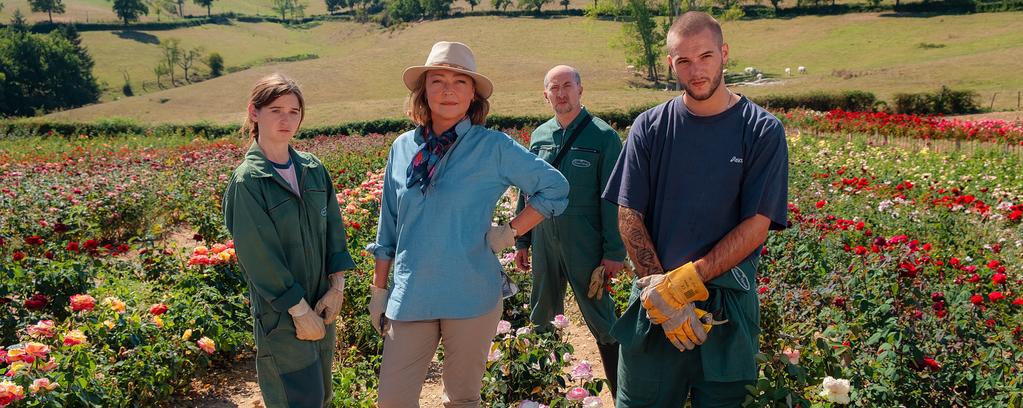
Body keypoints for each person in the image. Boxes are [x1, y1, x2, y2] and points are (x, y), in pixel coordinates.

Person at [601, 12, 790, 407]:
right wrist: (662, 295)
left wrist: (682, 286)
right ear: (671, 64)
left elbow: (756, 226)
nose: (696, 70)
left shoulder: (761, 130)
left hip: (726, 308)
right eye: (684, 61)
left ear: (724, 53)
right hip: (654, 304)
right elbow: (629, 214)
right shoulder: (649, 127)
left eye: (705, 56)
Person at [367, 41, 570, 408]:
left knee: (462, 399)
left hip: (472, 293)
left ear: (473, 93)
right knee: (392, 400)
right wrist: (379, 291)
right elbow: (388, 229)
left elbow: (555, 188)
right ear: (424, 91)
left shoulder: (492, 147)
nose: (448, 90)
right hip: (412, 294)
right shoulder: (402, 148)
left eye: (459, 82)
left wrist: (509, 232)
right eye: (438, 81)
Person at [223, 73, 356, 408]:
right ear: (254, 112)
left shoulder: (313, 169)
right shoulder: (249, 182)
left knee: (322, 396)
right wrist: (298, 310)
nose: (286, 120)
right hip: (282, 315)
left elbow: (334, 230)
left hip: (321, 303)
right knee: (297, 398)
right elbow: (259, 257)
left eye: (294, 112)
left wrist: (337, 287)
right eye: (276, 110)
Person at [513, 65, 625, 398]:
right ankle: (543, 395)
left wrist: (614, 252)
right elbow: (526, 191)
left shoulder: (603, 137)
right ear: (545, 95)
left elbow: (614, 199)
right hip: (544, 237)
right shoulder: (540, 136)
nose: (561, 93)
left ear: (580, 89)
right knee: (541, 315)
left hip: (585, 240)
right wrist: (522, 240)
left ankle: (624, 395)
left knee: (602, 319)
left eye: (567, 86)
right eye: (554, 88)